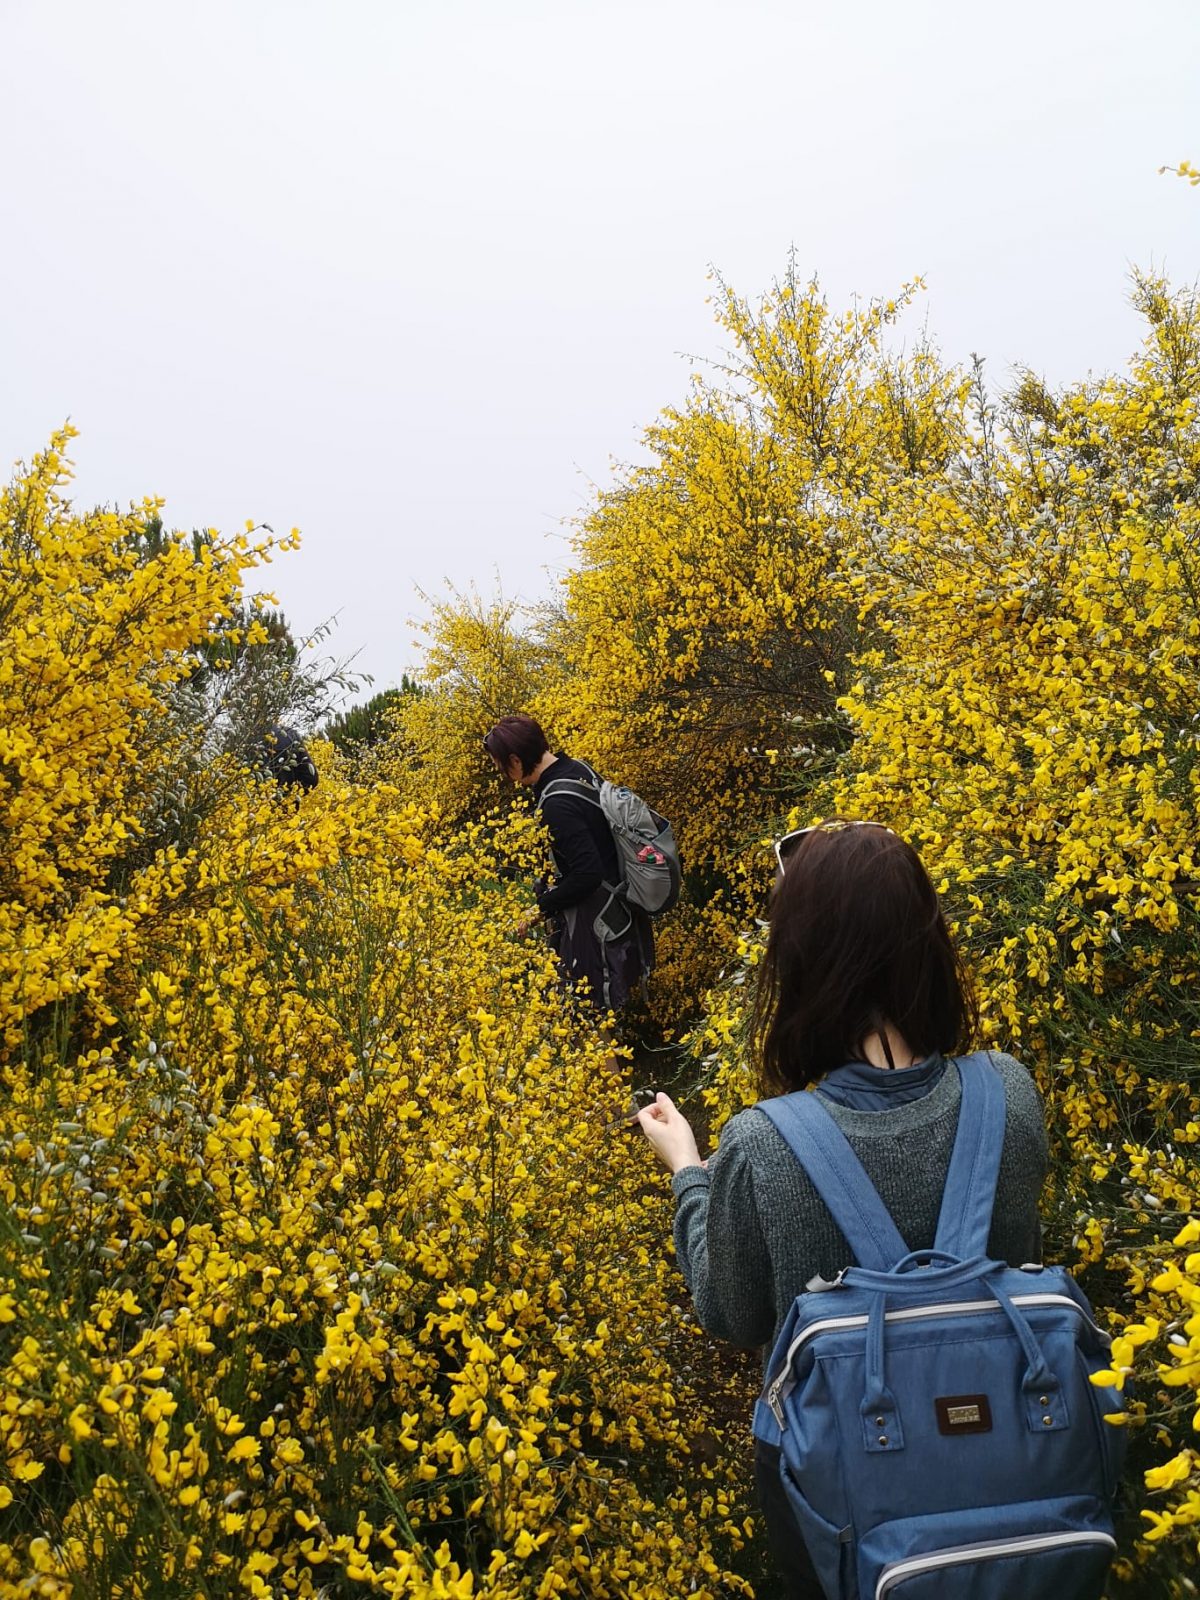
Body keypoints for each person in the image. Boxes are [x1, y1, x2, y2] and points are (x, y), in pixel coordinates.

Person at [635, 819, 1049, 1599]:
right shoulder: (1011, 1092)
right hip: (1014, 1453)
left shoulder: (763, 1144)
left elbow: (730, 1310)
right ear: (928, 942)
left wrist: (689, 1169)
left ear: (798, 960)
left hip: (841, 1486)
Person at [483, 714, 653, 1011]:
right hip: (621, 905)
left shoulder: (557, 803)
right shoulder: (578, 768)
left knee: (587, 1018)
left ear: (515, 761)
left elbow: (587, 874)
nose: (507, 778)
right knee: (599, 1014)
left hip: (596, 920)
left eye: (502, 769)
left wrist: (541, 907)